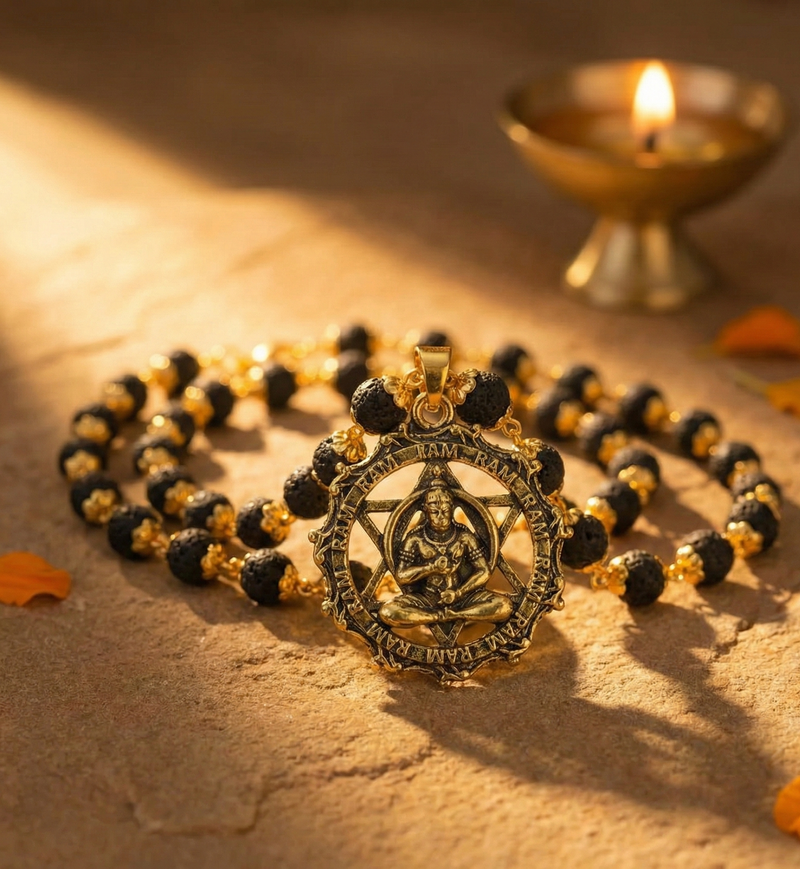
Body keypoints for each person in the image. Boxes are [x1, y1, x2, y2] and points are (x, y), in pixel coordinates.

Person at [378, 479, 513, 628]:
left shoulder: (464, 537)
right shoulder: (415, 540)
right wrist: (430, 568)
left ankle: (458, 615)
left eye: (445, 511)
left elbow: (484, 571)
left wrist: (458, 593)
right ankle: (436, 616)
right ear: (425, 510)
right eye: (435, 512)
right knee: (388, 611)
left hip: (462, 598)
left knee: (505, 606)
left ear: (452, 509)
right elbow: (401, 576)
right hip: (425, 599)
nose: (441, 516)